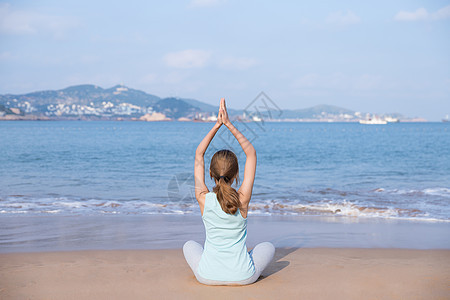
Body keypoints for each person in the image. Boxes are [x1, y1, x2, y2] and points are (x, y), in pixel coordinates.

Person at [183, 98, 275, 285]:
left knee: (189, 245)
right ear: (236, 175)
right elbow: (251, 153)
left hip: (207, 276)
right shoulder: (242, 199)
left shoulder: (203, 198)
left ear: (210, 173)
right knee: (268, 247)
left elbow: (199, 154)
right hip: (244, 277)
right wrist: (229, 124)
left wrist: (217, 125)